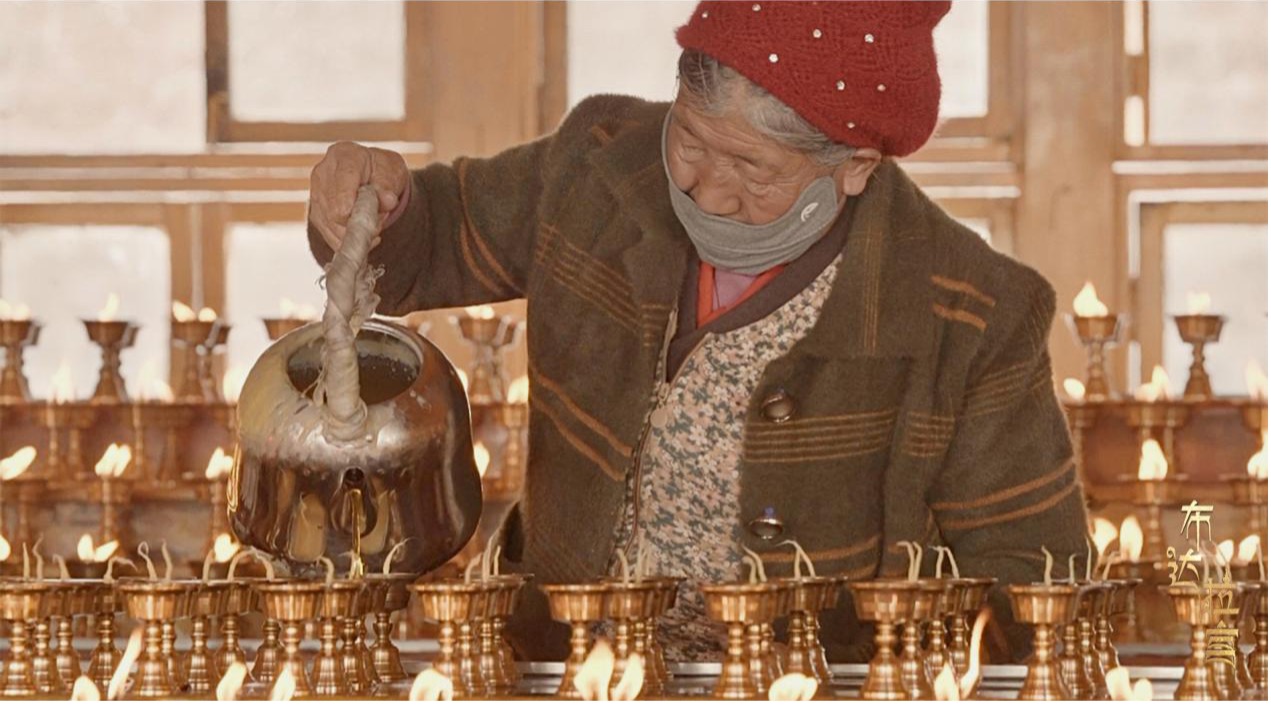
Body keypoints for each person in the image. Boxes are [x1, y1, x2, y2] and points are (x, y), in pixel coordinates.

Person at [308, 1, 1089, 663]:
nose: (703, 190)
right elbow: (436, 236)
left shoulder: (972, 312)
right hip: (561, 665)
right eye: (689, 141)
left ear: (853, 166)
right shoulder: (599, 165)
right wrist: (376, 199)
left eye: (750, 171)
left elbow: (1034, 586)